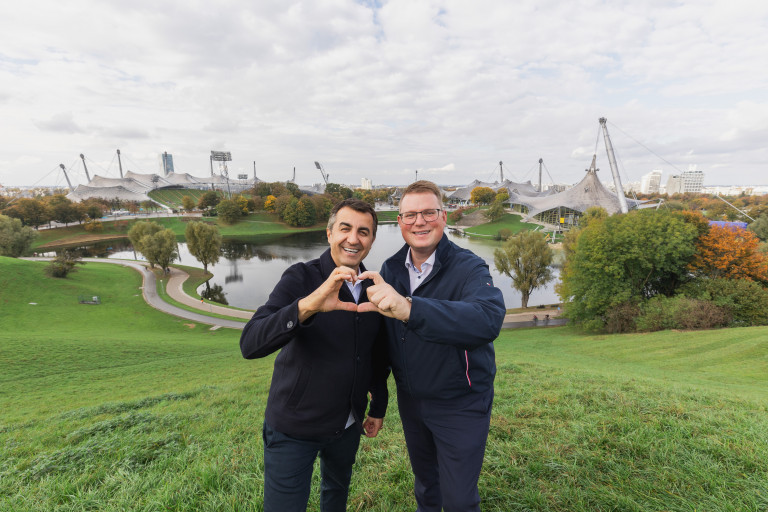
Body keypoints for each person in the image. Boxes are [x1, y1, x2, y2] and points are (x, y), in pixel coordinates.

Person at [359, 180, 505, 512]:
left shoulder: (469, 267)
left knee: (459, 500)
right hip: (413, 402)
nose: (419, 222)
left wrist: (410, 308)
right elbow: (385, 344)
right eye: (410, 214)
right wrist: (379, 404)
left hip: (461, 403)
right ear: (399, 221)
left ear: (444, 216)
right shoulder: (391, 270)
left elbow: (487, 318)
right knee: (426, 488)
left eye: (429, 212)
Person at [239, 198, 389, 512]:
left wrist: (378, 406)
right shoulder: (301, 278)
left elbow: (375, 353)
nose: (353, 238)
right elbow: (250, 343)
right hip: (295, 428)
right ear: (329, 233)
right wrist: (308, 306)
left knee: (336, 496)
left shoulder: (375, 287)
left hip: (347, 424)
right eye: (345, 228)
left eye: (364, 232)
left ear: (372, 240)